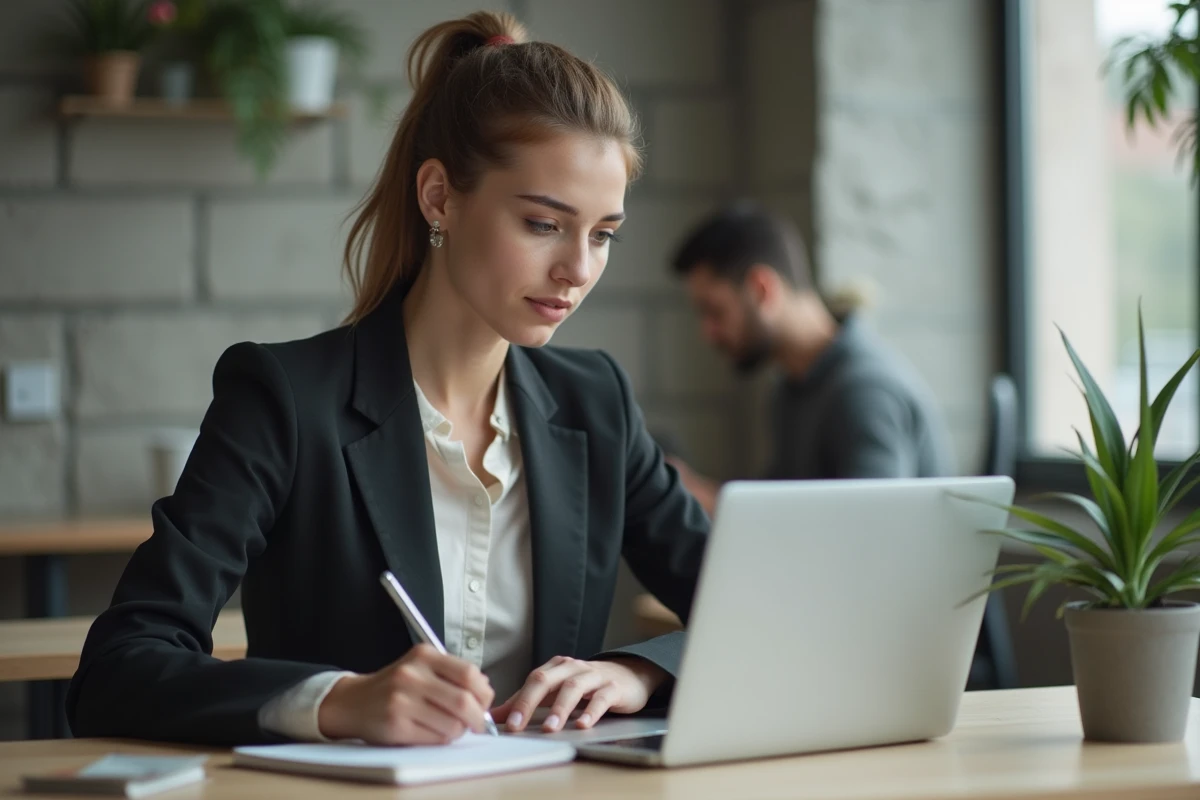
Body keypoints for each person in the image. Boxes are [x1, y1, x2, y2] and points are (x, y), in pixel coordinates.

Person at [66, 11, 708, 747]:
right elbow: (119, 669)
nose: (579, 269)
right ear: (438, 197)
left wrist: (638, 673)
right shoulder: (284, 398)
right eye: (542, 224)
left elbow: (754, 608)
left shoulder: (595, 403)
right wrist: (336, 701)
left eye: (602, 235)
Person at [666, 202, 954, 514]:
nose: (708, 333)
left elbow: (872, 533)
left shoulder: (864, 391)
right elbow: (787, 507)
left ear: (762, 289)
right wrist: (700, 493)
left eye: (714, 311)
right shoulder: (791, 388)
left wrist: (714, 505)